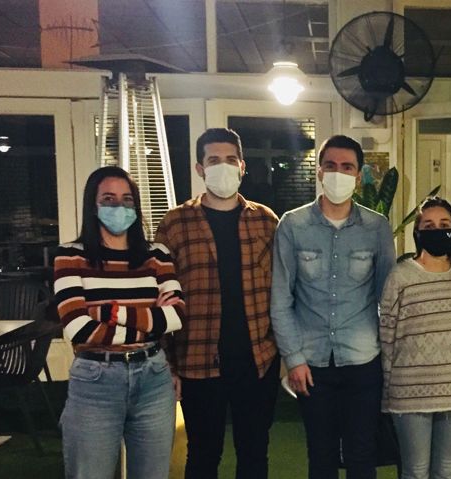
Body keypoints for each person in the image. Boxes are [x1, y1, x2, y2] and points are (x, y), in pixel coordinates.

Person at [155, 128, 281, 479]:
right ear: (200, 168)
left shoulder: (266, 221)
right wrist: (168, 364)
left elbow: (282, 289)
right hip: (197, 360)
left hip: (258, 360)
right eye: (213, 160)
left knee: (254, 453)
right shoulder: (175, 224)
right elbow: (161, 298)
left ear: (242, 166)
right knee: (203, 455)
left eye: (230, 160)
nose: (222, 167)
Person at [270, 135, 396, 479]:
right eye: (331, 165)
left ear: (358, 176)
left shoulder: (377, 227)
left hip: (363, 361)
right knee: (321, 456)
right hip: (312, 364)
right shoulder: (292, 225)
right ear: (320, 172)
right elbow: (280, 299)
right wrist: (293, 359)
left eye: (347, 167)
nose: (338, 173)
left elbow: (388, 297)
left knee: (362, 456)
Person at [54, 166, 184, 479]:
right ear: (93, 205)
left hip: (154, 377)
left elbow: (176, 317)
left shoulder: (157, 254)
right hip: (95, 380)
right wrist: (151, 318)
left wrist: (110, 312)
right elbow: (78, 328)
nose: (119, 206)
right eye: (109, 199)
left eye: (127, 199)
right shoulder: (70, 256)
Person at [379, 197, 451, 479]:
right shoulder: (400, 276)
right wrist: (387, 391)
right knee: (415, 472)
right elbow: (386, 337)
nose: (438, 230)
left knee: (447, 471)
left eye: (444, 225)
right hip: (409, 394)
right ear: (418, 232)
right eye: (429, 226)